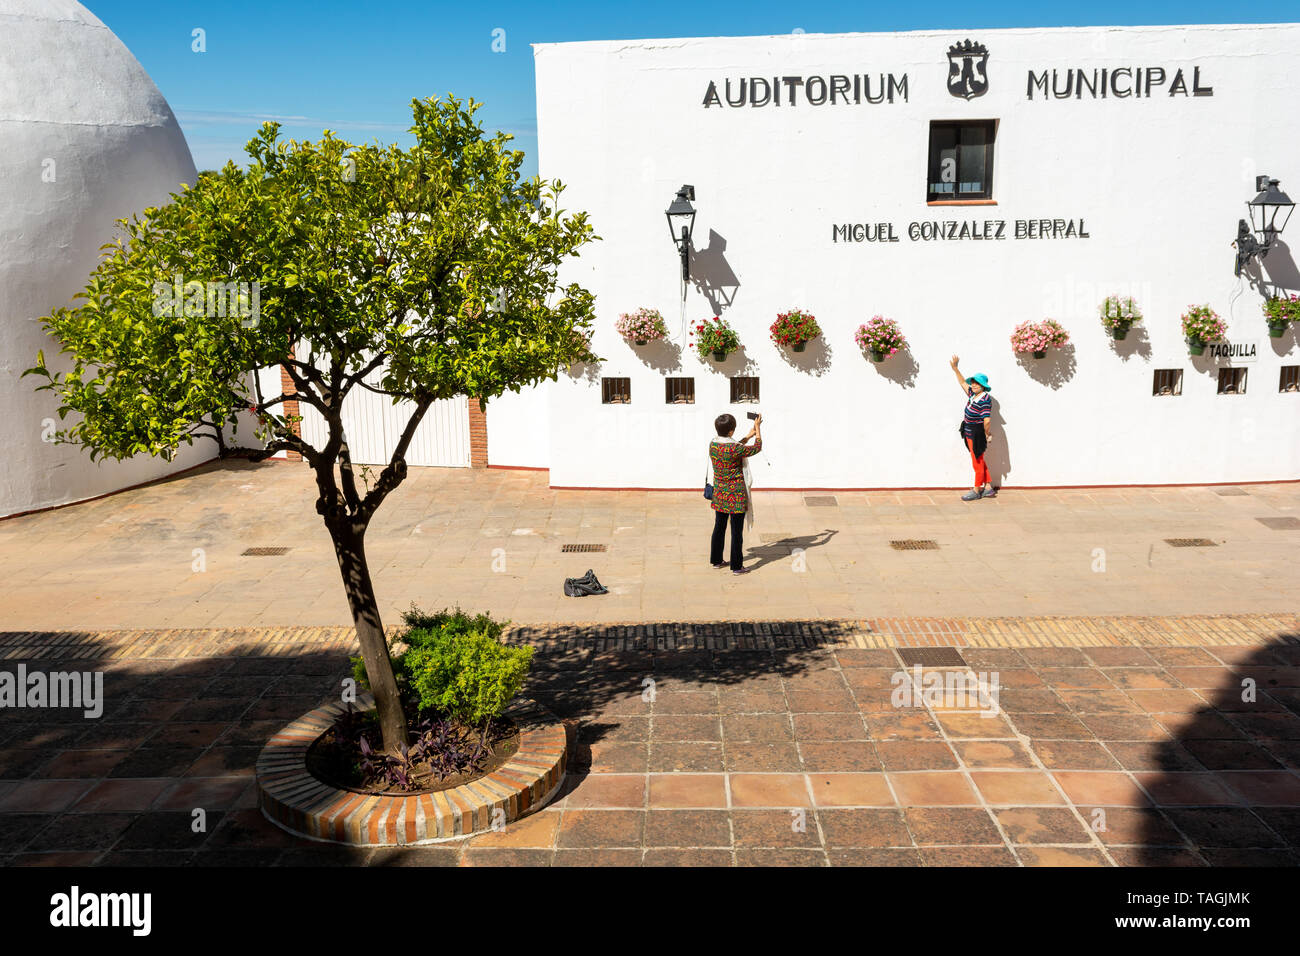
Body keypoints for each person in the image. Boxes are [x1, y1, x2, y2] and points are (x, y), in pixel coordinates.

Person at [708, 413, 762, 574]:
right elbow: (757, 448)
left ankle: (717, 560)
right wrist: (757, 429)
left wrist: (747, 436)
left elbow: (733, 449)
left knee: (719, 526)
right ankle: (737, 566)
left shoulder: (713, 444)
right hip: (736, 494)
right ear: (731, 431)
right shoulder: (735, 448)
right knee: (736, 532)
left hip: (720, 493)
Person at [949, 356, 996, 501]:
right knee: (979, 458)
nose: (974, 385)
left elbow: (987, 420)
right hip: (968, 430)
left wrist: (987, 434)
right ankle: (988, 487)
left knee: (977, 461)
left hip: (977, 433)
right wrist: (955, 368)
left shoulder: (985, 399)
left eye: (977, 384)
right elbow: (963, 382)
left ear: (983, 386)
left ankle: (976, 489)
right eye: (974, 383)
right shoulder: (973, 394)